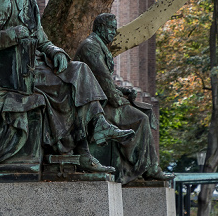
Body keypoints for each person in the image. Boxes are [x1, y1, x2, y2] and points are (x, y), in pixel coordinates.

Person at [0, 0, 134, 174]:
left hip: (31, 68)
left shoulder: (30, 2)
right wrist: (11, 34)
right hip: (11, 75)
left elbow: (42, 39)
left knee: (79, 70)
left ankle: (94, 132)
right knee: (70, 88)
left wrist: (54, 50)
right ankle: (91, 139)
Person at [74, 13, 173, 184]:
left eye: (115, 28)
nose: (114, 33)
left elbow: (105, 81)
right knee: (140, 118)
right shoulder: (90, 47)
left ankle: (141, 167)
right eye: (111, 28)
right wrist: (120, 99)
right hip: (94, 105)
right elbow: (103, 79)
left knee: (145, 111)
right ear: (100, 28)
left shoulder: (98, 46)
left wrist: (123, 91)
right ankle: (146, 169)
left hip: (103, 98)